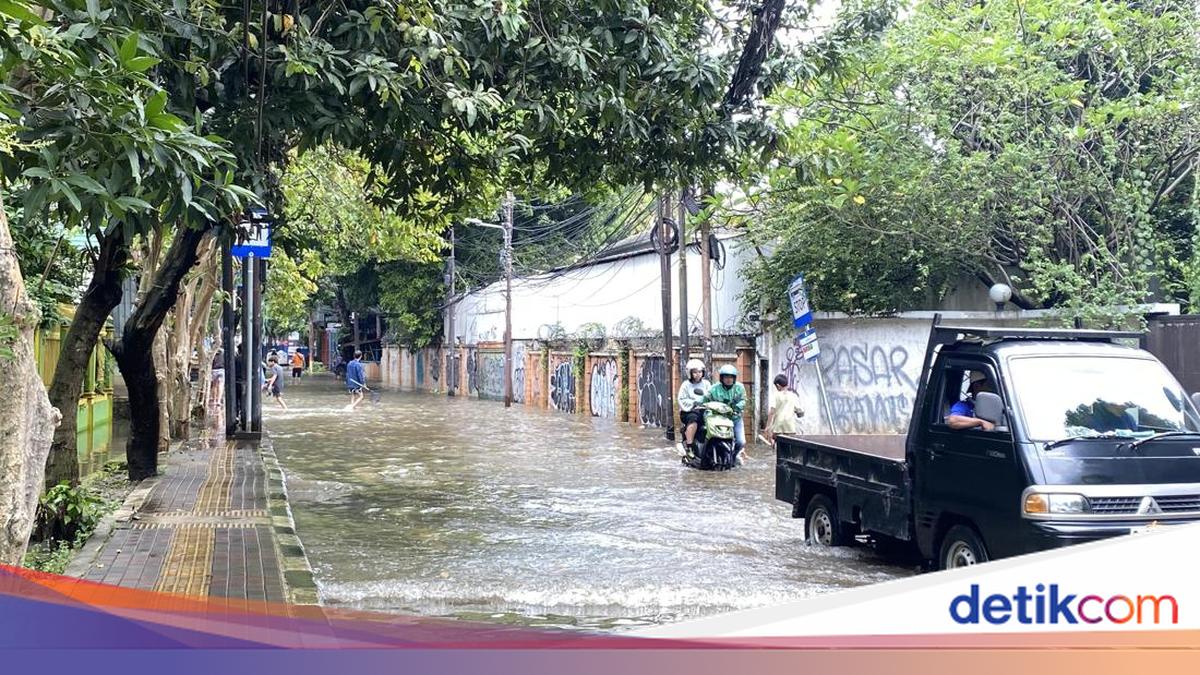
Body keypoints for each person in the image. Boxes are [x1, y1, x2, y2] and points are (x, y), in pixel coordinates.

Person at [703, 364, 747, 460]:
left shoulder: (739, 388)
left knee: (741, 442)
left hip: (734, 418)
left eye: (731, 377)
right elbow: (705, 399)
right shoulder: (714, 389)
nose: (728, 379)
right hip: (717, 419)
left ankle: (733, 457)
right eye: (726, 377)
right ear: (721, 378)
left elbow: (743, 400)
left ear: (734, 378)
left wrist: (737, 407)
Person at [676, 358, 711, 455]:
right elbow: (681, 399)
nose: (698, 374)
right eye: (695, 372)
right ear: (690, 373)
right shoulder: (686, 385)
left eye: (700, 372)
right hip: (689, 411)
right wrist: (693, 403)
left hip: (705, 410)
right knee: (693, 420)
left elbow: (711, 395)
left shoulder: (707, 384)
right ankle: (689, 446)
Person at [764, 374, 803, 443]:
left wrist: (768, 426)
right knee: (790, 448)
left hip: (778, 427)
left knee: (779, 447)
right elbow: (800, 412)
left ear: (778, 386)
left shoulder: (776, 395)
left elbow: (772, 412)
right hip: (790, 428)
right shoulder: (793, 396)